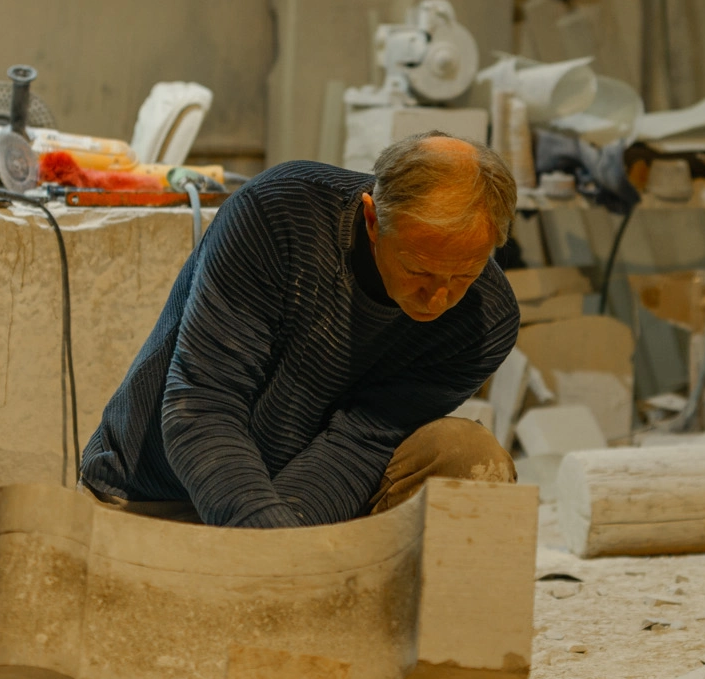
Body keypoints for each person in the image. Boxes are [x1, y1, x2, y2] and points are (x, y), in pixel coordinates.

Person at [79, 133, 520, 528]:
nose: (438, 299)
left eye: (463, 276)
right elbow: (203, 405)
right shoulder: (280, 214)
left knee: (468, 456)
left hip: (308, 503)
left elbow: (361, 442)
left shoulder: (485, 322)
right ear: (371, 220)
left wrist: (286, 545)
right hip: (157, 491)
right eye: (417, 270)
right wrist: (264, 540)